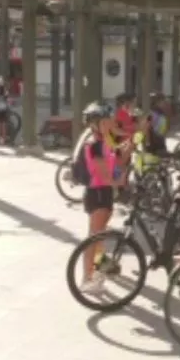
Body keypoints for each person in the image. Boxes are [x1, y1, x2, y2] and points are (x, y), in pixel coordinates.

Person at [80, 103, 127, 294]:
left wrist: (128, 148)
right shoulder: (94, 144)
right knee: (93, 237)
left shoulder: (105, 141)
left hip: (105, 193)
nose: (110, 124)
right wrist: (120, 181)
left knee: (100, 237)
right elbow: (105, 175)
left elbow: (116, 164)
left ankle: (99, 270)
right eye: (106, 121)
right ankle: (86, 278)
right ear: (95, 124)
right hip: (97, 193)